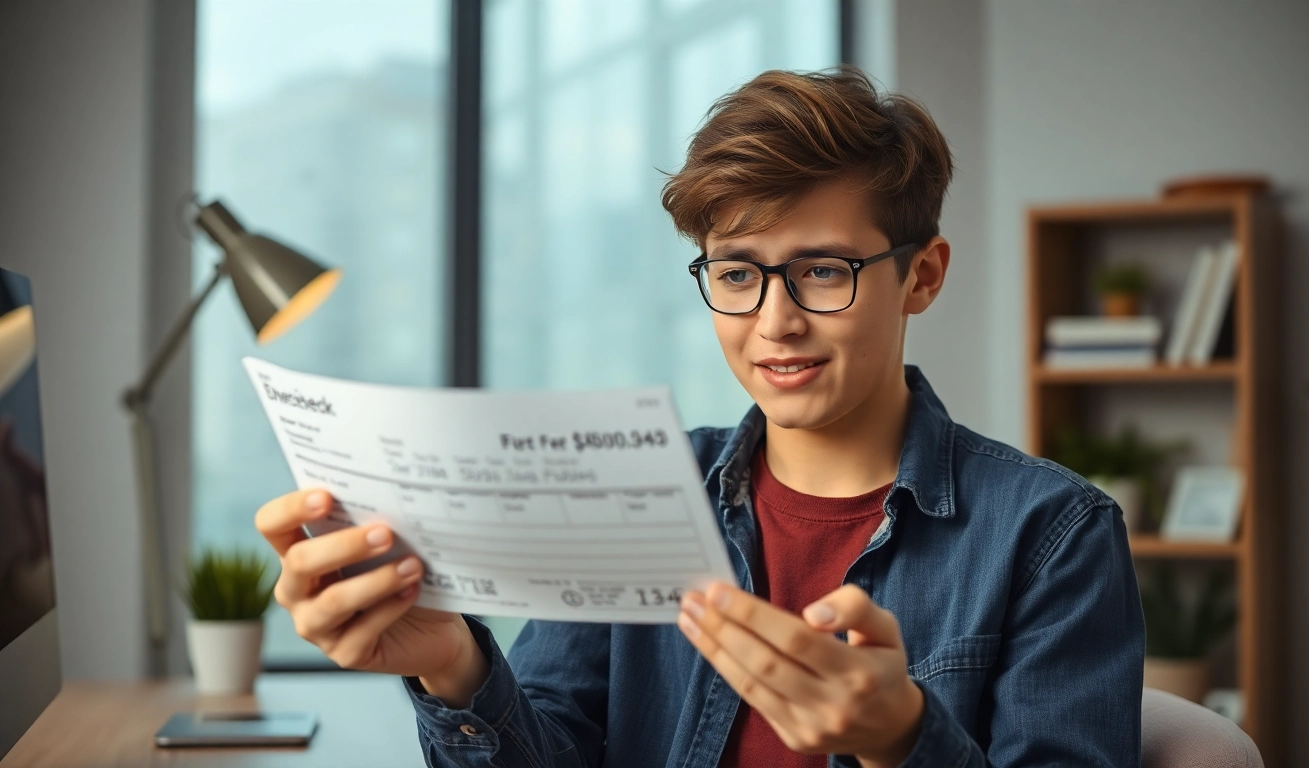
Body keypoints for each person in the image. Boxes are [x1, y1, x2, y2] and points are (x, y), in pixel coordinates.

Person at [255, 66, 1143, 767]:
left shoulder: (1052, 536)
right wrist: (451, 664)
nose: (774, 321)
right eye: (737, 272)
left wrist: (902, 740)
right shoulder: (630, 494)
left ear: (923, 275)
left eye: (822, 271)